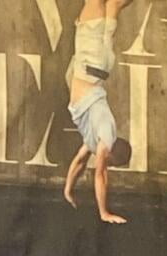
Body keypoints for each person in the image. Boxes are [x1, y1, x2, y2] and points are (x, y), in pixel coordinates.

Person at [62, 1, 135, 224]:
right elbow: (100, 173)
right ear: (112, 154)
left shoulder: (95, 141)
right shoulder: (105, 138)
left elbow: (79, 161)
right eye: (110, 163)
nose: (105, 163)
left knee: (112, 6)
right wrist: (104, 212)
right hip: (91, 65)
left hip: (97, 66)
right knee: (99, 3)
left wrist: (68, 190)